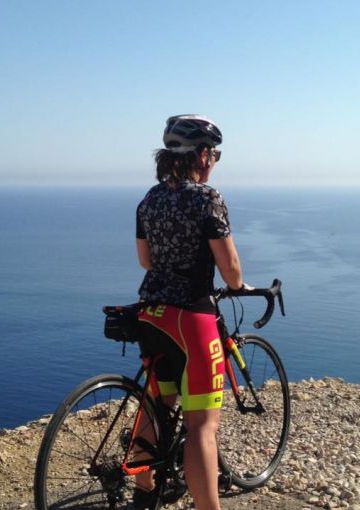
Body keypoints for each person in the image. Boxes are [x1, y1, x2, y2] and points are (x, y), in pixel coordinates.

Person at [134, 115, 245, 510]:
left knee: (157, 404)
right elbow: (231, 271)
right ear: (202, 155)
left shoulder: (149, 199)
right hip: (191, 317)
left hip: (150, 313)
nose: (214, 161)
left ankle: (144, 489)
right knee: (202, 425)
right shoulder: (206, 198)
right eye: (214, 154)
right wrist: (238, 285)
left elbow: (146, 261)